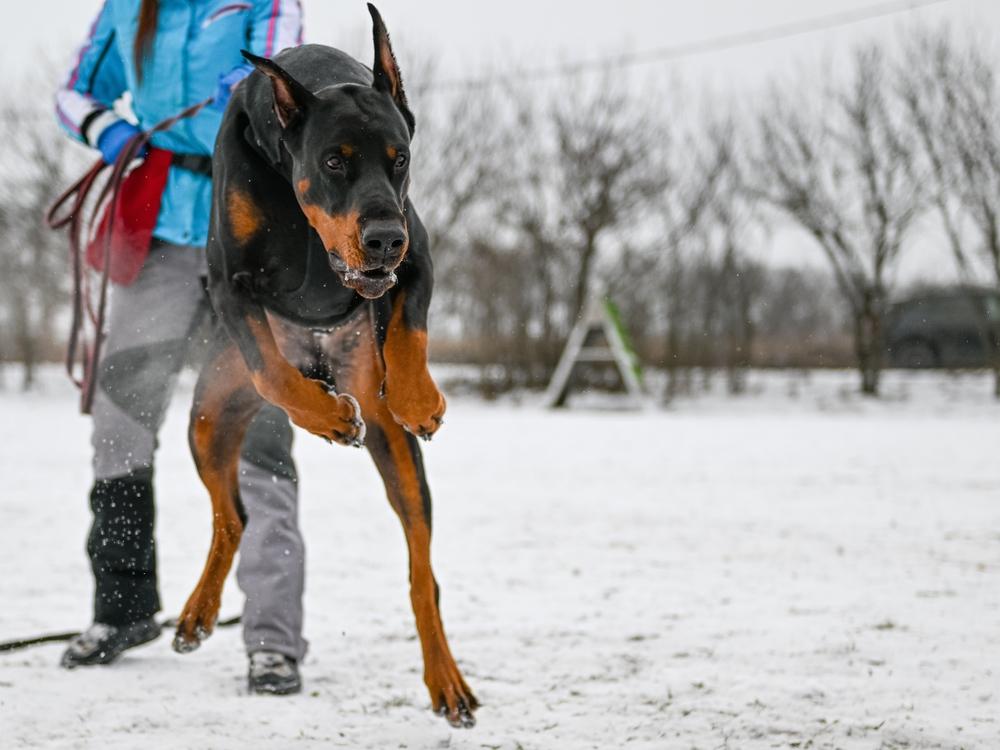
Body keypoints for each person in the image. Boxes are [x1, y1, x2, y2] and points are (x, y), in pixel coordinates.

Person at [54, 0, 307, 695]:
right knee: (118, 427)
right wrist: (111, 129)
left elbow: (275, 85)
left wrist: (233, 98)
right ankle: (123, 610)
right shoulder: (126, 9)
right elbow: (74, 94)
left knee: (259, 436)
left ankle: (273, 639)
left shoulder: (268, 4)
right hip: (159, 237)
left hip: (250, 239)